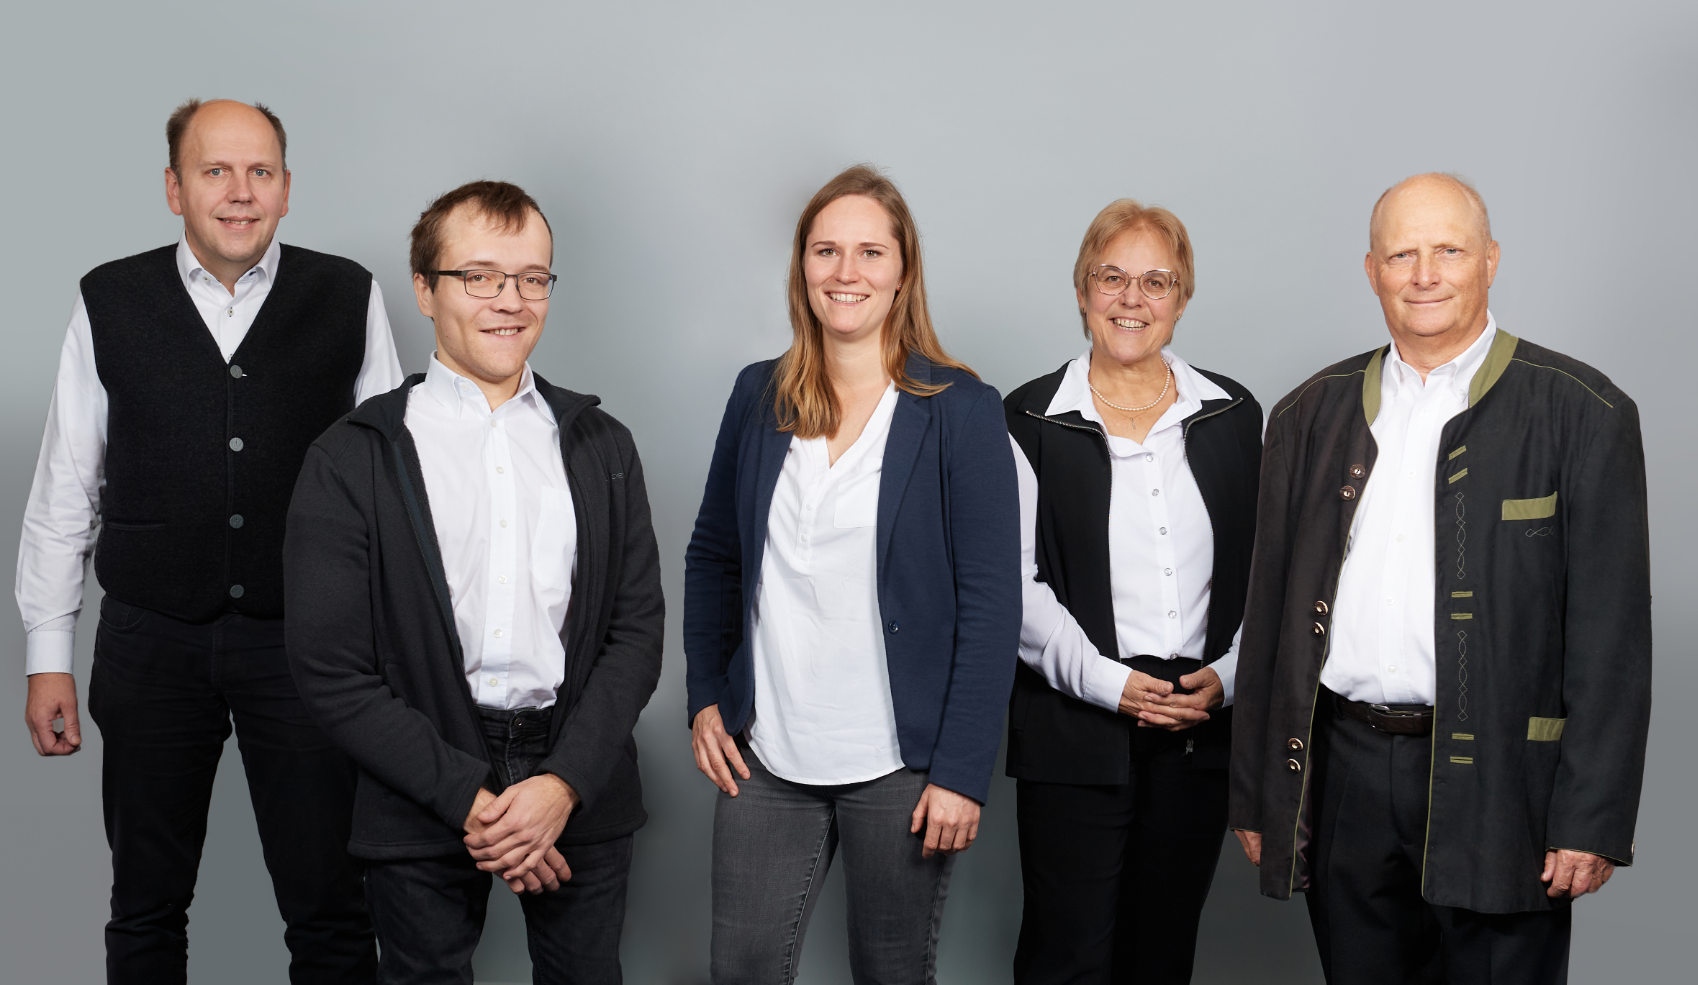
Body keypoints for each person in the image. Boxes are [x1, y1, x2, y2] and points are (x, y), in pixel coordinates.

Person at [1229, 174, 1650, 984]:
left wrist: (1591, 817)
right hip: (1345, 771)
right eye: (1402, 255)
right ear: (1371, 271)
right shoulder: (1307, 414)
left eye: (1449, 250)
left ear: (1490, 260)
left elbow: (1614, 636)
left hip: (1506, 780)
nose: (1425, 274)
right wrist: (1257, 793)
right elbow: (1271, 613)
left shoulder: (1583, 410)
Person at [17, 98, 399, 983]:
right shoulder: (109, 298)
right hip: (150, 640)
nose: (240, 192)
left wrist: (388, 655)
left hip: (309, 645)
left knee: (333, 908)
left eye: (260, 171)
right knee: (145, 906)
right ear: (174, 188)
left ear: (287, 189)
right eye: (215, 170)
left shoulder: (348, 294)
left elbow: (388, 488)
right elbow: (66, 486)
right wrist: (47, 654)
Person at [283, 180, 664, 985]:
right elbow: (330, 667)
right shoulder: (351, 456)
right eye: (481, 276)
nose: (511, 300)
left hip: (578, 765)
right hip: (416, 771)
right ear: (425, 289)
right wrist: (475, 802)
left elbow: (636, 634)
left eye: (532, 277)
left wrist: (560, 785)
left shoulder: (603, 445)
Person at [683, 165, 1021, 985]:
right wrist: (705, 695)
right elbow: (714, 556)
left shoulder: (961, 409)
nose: (846, 271)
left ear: (903, 270)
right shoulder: (758, 396)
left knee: (890, 973)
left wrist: (961, 772)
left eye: (871, 252)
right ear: (802, 266)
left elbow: (991, 606)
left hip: (899, 763)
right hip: (768, 755)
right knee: (742, 971)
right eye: (826, 250)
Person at [1003, 200, 1262, 985]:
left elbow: (1269, 571)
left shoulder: (1233, 414)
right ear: (1082, 289)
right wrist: (1108, 683)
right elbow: (1013, 583)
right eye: (1112, 277)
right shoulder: (1025, 417)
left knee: (1161, 957)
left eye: (1156, 281)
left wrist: (1230, 677)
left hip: (1197, 722)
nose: (1132, 299)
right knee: (1067, 958)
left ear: (1182, 298)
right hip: (1073, 720)